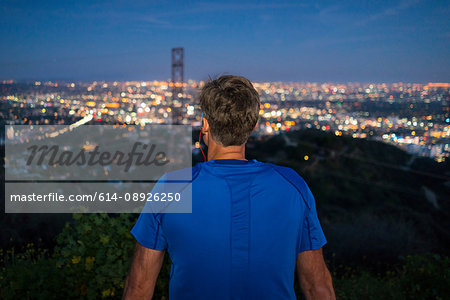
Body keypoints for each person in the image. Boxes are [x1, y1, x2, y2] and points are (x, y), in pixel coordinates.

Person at [123, 75, 335, 299]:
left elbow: (138, 289)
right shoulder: (293, 187)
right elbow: (316, 287)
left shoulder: (171, 189)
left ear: (205, 124)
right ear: (252, 126)